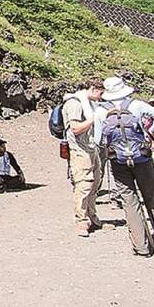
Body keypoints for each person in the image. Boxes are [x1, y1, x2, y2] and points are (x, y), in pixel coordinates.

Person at [100, 77, 154, 255]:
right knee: (152, 198)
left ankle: (141, 246)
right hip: (142, 157)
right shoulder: (137, 105)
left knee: (129, 202)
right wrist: (152, 131)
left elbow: (97, 139)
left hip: (118, 160)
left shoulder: (101, 110)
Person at [63, 79, 105, 237]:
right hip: (80, 150)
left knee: (95, 183)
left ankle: (92, 216)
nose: (101, 97)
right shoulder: (74, 103)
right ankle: (81, 221)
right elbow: (75, 128)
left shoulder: (90, 104)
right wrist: (95, 118)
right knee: (84, 185)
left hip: (92, 148)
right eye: (100, 93)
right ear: (93, 89)